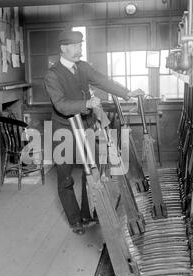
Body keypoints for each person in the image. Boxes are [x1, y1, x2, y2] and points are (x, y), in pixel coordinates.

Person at [44, 30, 145, 236]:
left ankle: (87, 213)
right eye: (75, 46)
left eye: (81, 45)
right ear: (64, 48)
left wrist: (127, 93)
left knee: (90, 170)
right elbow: (61, 105)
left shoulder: (83, 67)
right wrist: (86, 103)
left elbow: (103, 81)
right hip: (64, 129)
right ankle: (74, 220)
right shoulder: (52, 74)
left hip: (86, 126)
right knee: (65, 177)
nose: (80, 50)